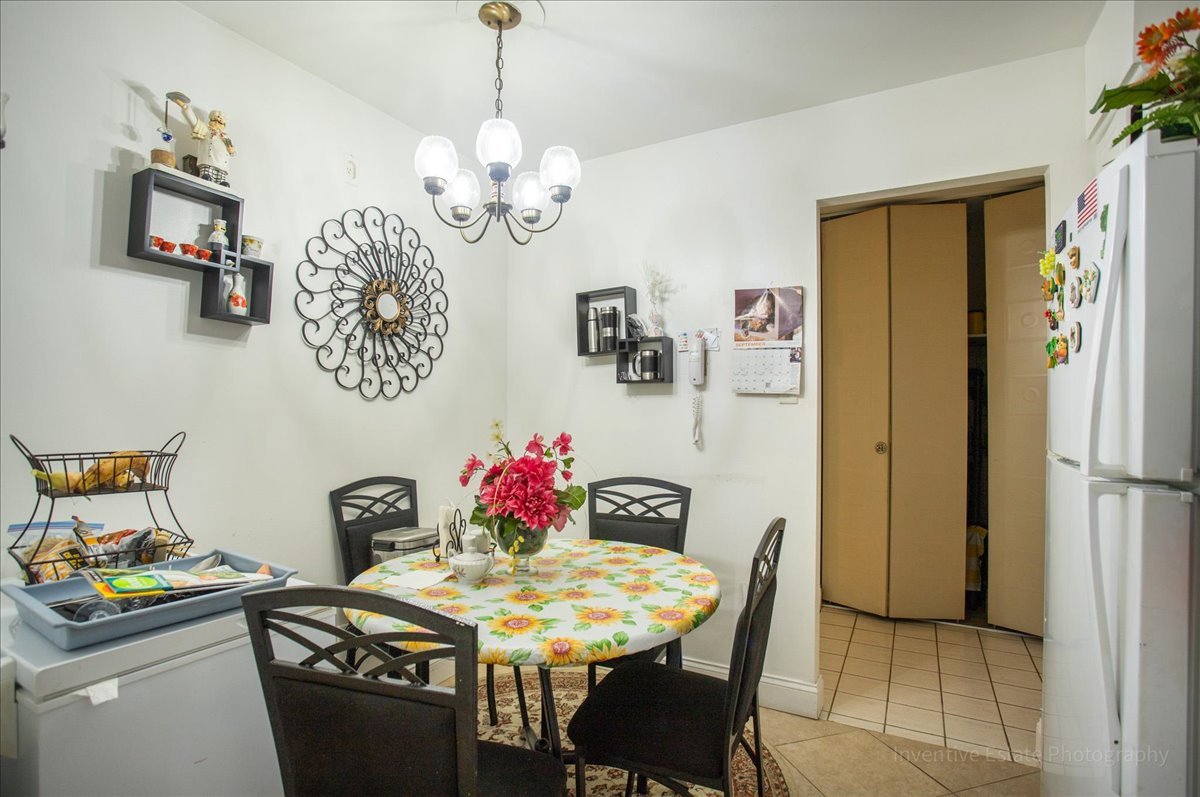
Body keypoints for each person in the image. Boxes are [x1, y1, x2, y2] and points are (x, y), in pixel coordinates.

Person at [171, 96, 235, 186]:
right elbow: (194, 121)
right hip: (208, 163)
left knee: (222, 184)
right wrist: (184, 107)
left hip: (222, 166)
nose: (217, 123)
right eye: (215, 121)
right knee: (206, 178)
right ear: (211, 121)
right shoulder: (207, 131)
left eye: (220, 122)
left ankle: (221, 183)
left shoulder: (225, 137)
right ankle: (207, 177)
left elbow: (232, 152)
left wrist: (231, 150)